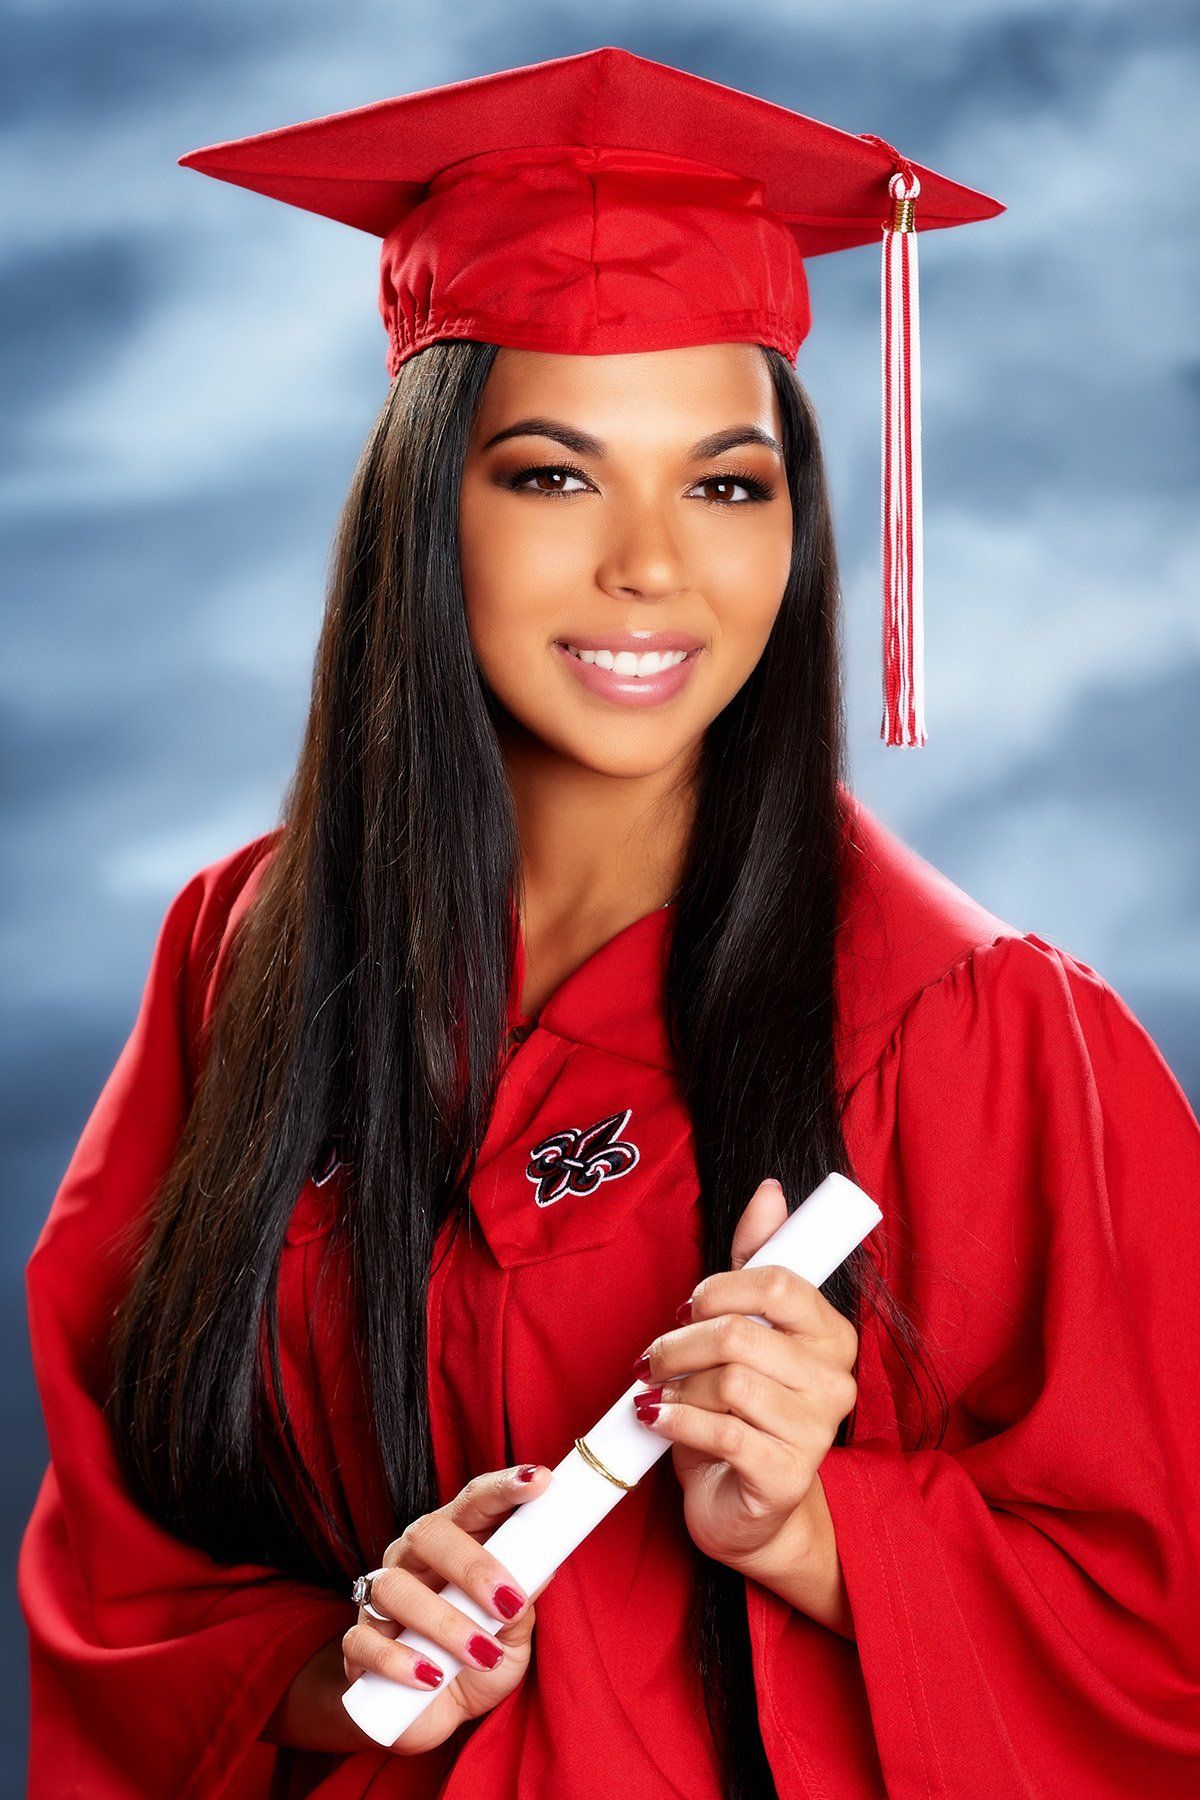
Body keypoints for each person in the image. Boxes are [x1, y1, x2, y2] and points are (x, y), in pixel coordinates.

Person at [18, 45, 1200, 1800]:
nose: (654, 564)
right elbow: (124, 1552)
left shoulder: (968, 1023)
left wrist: (813, 1531)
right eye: (555, 476)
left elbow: (1163, 1640)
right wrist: (346, 1673)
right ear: (430, 509)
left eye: (728, 483)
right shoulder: (243, 956)